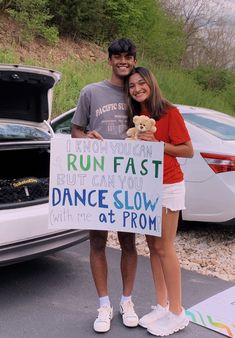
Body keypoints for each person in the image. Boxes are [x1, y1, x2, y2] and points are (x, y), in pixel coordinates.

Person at [71, 38, 139, 333]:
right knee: (97, 240)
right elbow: (75, 130)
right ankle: (103, 305)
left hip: (130, 180)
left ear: (134, 60)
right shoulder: (91, 92)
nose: (123, 61)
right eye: (118, 57)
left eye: (128, 57)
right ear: (109, 59)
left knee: (128, 242)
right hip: (97, 180)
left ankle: (127, 300)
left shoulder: (139, 92)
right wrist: (86, 139)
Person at [125, 66, 194, 336]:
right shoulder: (138, 116)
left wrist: (158, 143)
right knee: (152, 246)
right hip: (146, 186)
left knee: (165, 248)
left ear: (151, 84)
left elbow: (187, 150)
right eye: (132, 86)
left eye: (141, 83)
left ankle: (177, 312)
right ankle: (162, 305)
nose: (137, 88)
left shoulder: (169, 112)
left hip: (168, 186)